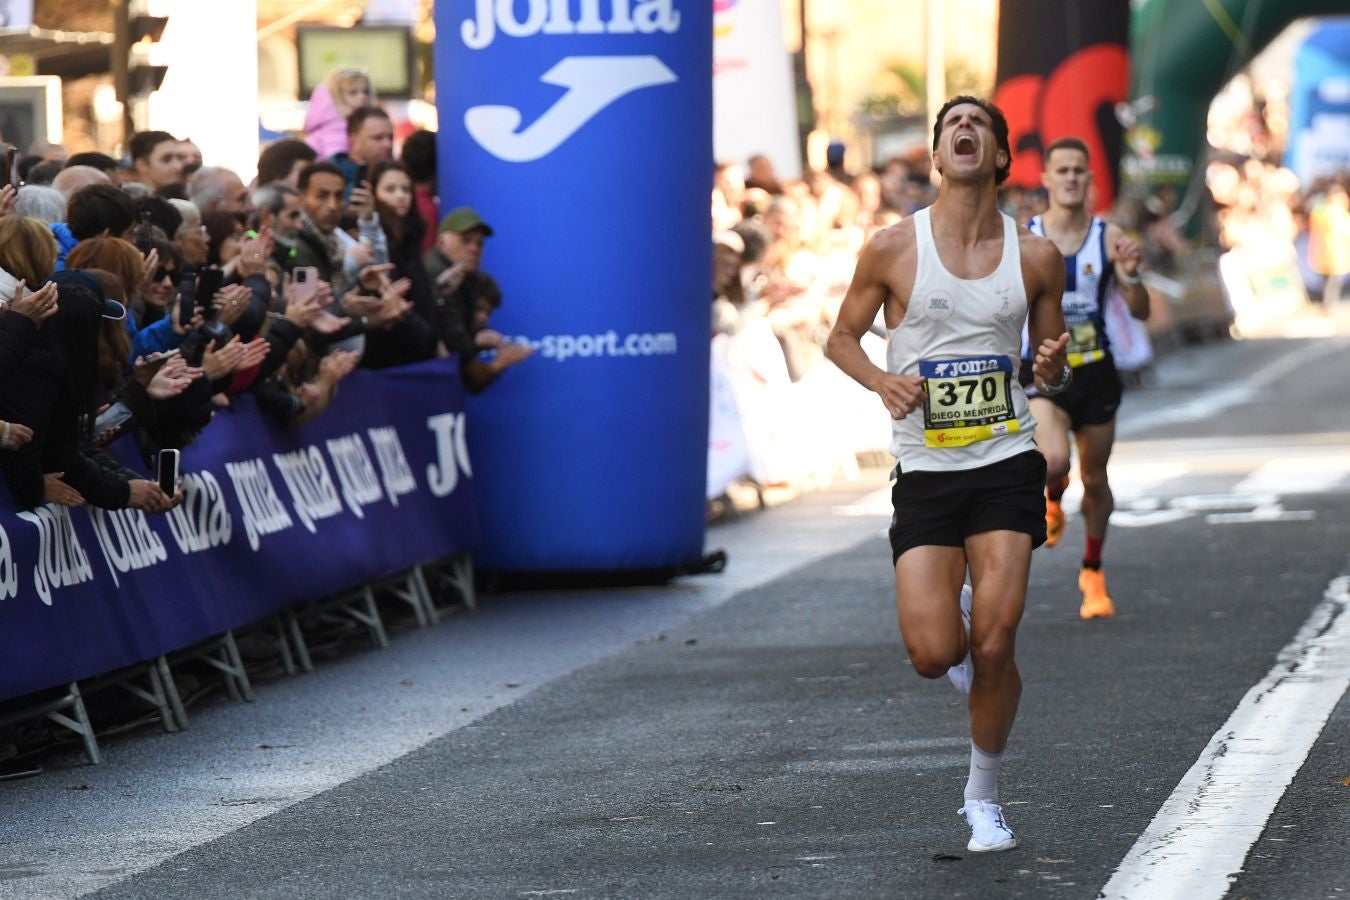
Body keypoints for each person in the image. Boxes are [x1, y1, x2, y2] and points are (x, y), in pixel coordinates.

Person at [824, 95, 1070, 854]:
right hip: (927, 468)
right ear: (936, 155)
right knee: (935, 654)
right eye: (950, 126)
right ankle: (961, 625)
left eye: (979, 125)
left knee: (996, 643)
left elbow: (1050, 359)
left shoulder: (1035, 256)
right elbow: (840, 340)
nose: (963, 131)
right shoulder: (893, 247)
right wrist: (881, 380)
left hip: (1004, 460)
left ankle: (983, 799)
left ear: (999, 155)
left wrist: (1051, 366)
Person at [1025, 137, 1149, 620]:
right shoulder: (1027, 236)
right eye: (1063, 170)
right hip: (1043, 370)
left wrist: (1133, 276)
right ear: (1047, 179)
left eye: (1080, 170)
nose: (1072, 178)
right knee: (1054, 461)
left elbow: (1140, 311)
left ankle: (1092, 572)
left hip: (1095, 371)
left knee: (1095, 479)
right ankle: (1053, 499)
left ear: (1090, 180)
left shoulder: (1109, 236)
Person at [303, 68, 375, 159]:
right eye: (353, 93)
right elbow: (338, 161)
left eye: (366, 92)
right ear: (336, 97)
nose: (362, 97)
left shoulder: (346, 124)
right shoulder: (336, 128)